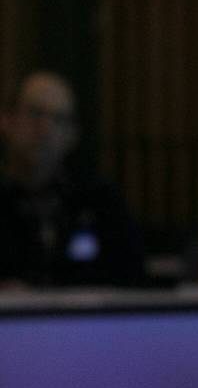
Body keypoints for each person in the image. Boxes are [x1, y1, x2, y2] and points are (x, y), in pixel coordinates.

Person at [0, 71, 144, 287]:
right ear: (7, 121)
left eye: (59, 120)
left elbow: (132, 279)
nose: (45, 130)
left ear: (72, 136)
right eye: (35, 114)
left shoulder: (100, 201)